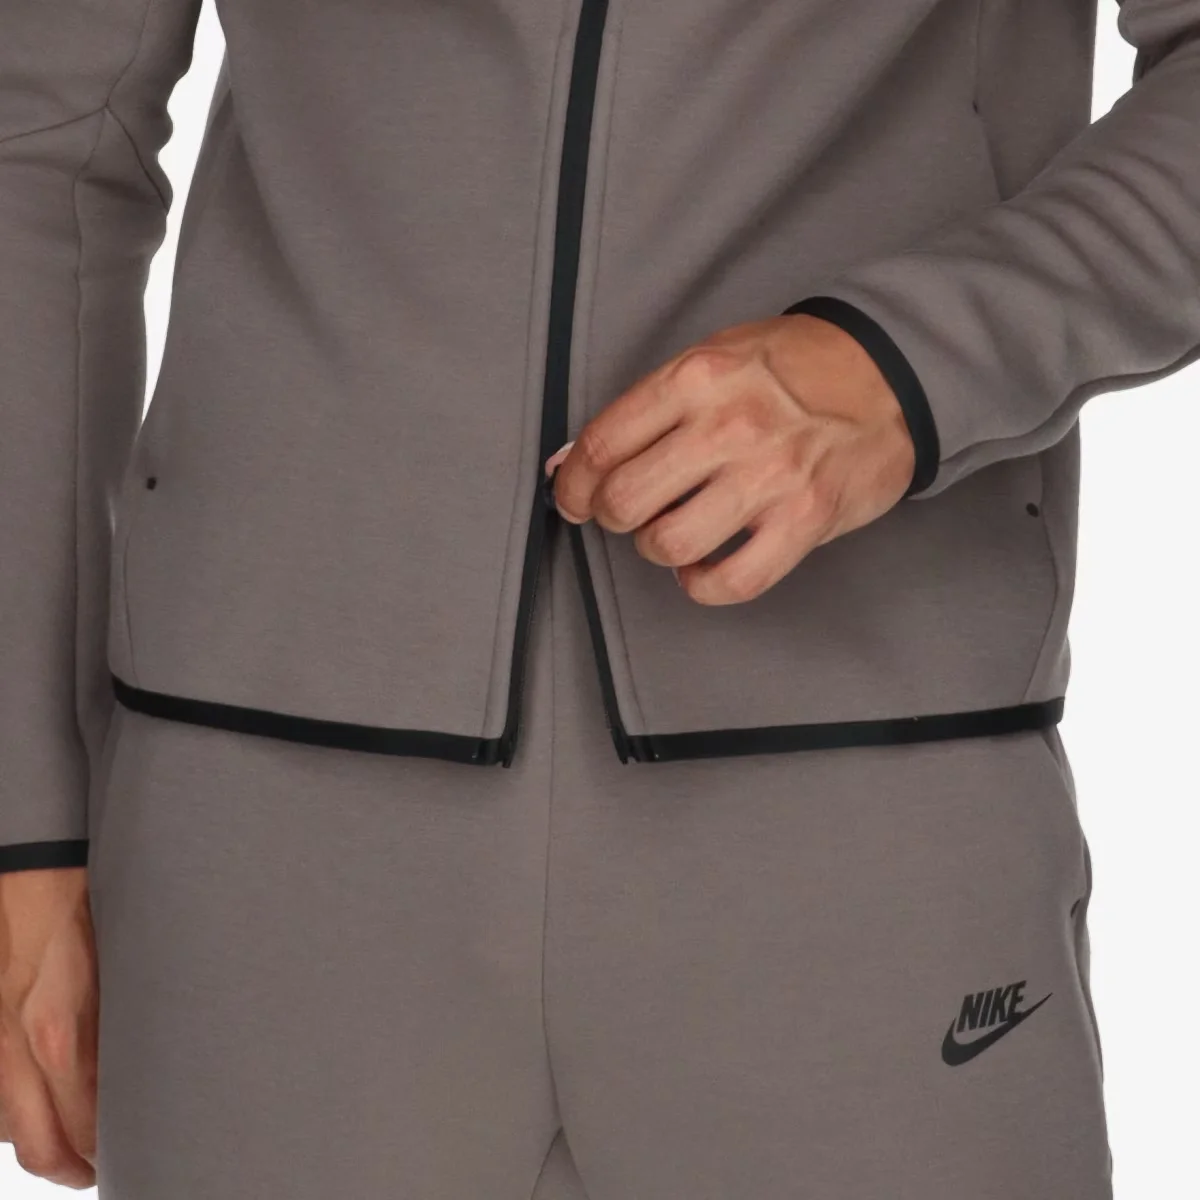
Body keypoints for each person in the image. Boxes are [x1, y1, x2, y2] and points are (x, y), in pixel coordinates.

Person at [1, 0, 1196, 1195]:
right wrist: (25, 820)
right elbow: (43, 147)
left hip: (862, 794)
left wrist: (908, 364)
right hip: (265, 832)